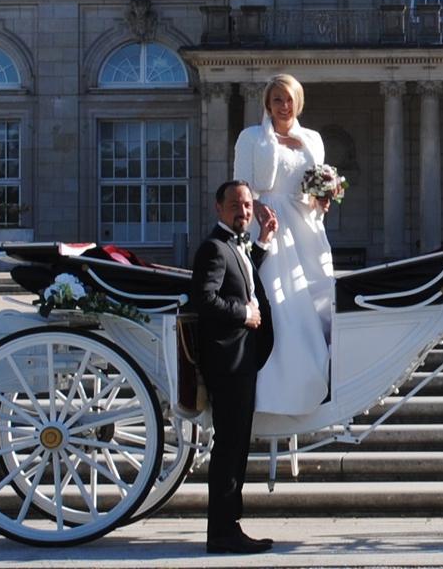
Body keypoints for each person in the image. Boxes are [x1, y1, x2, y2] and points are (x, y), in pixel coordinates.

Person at [234, 73, 334, 419]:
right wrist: (258, 208)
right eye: (276, 99)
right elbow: (242, 187)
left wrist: (324, 199)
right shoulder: (251, 139)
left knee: (315, 295)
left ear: (298, 102)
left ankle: (317, 378)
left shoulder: (313, 140)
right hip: (270, 227)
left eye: (288, 98)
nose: (283, 105)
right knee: (279, 302)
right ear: (267, 103)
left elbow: (314, 184)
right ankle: (272, 389)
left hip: (305, 224)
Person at [191, 180, 277, 554]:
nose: (242, 211)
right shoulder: (213, 248)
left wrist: (262, 244)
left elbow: (239, 275)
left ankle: (228, 528)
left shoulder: (232, 246)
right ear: (218, 208)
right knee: (229, 448)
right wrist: (245, 313)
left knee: (236, 446)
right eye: (235, 205)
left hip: (241, 362)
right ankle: (223, 532)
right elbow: (204, 300)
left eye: (246, 205)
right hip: (227, 363)